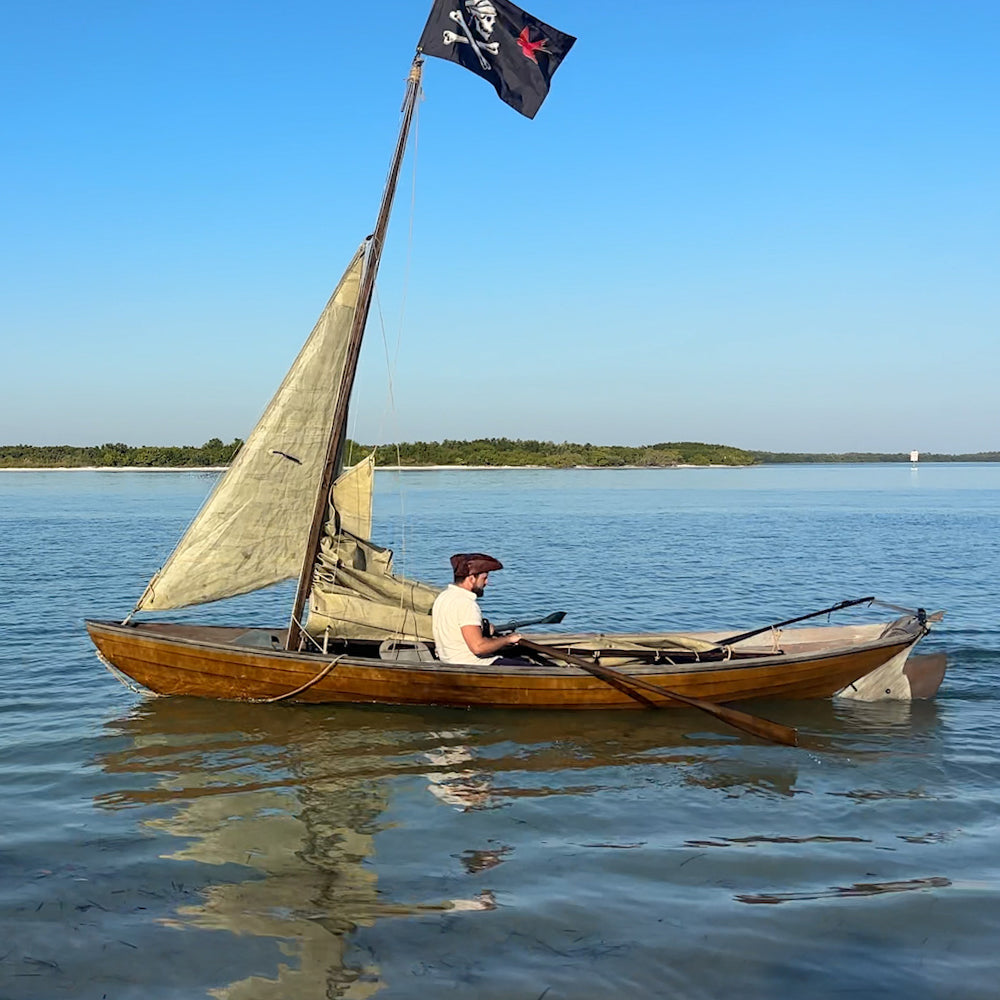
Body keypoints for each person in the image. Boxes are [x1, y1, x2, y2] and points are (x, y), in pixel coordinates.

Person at [431, 553, 529, 665]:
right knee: (533, 667)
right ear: (471, 578)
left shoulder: (444, 596)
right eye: (484, 578)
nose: (487, 582)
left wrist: (483, 629)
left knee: (520, 660)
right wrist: (507, 639)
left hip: (449, 660)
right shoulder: (466, 604)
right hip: (472, 664)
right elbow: (478, 647)